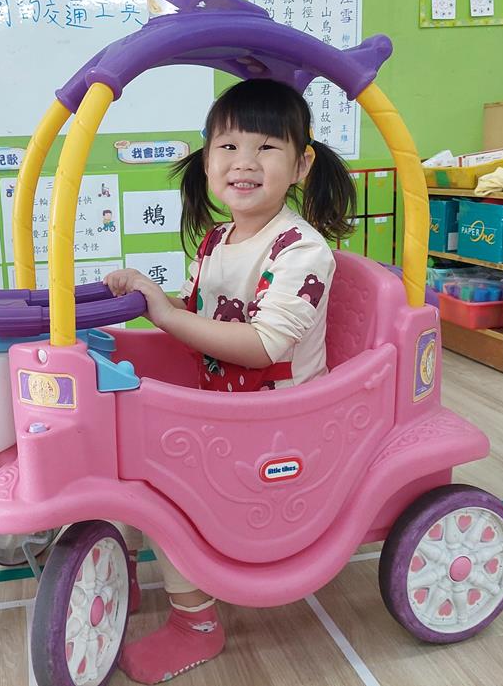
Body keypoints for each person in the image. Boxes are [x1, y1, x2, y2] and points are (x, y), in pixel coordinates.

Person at [103, 78, 356, 684]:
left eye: (266, 147)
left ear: (301, 165)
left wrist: (166, 315)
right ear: (207, 158)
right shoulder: (217, 239)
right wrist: (150, 300)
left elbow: (263, 344)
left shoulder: (301, 250)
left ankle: (196, 623)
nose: (244, 162)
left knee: (166, 485)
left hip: (281, 420)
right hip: (222, 408)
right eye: (228, 146)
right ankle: (122, 565)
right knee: (117, 443)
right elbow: (201, 320)